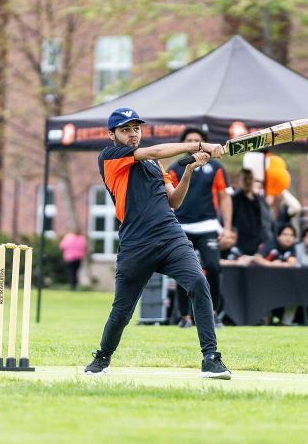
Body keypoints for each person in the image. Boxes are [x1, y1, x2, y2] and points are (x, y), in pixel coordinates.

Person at [84, 108, 230, 379]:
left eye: (136, 128)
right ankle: (102, 357)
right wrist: (201, 145)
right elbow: (153, 151)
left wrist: (188, 170)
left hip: (171, 237)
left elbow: (173, 201)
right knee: (123, 310)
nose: (132, 134)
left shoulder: (154, 165)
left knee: (199, 283)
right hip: (136, 244)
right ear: (112, 135)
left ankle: (211, 358)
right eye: (126, 130)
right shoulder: (110, 157)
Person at [168, 127, 233, 329]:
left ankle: (214, 314)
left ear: (204, 142)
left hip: (208, 225)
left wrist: (228, 228)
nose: (194, 142)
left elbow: (224, 198)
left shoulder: (216, 168)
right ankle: (185, 316)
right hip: (182, 226)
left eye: (198, 139)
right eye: (190, 140)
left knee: (213, 267)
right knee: (182, 271)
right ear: (184, 143)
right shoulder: (175, 168)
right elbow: (169, 200)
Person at [232, 169, 272, 256]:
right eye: (245, 179)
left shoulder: (260, 200)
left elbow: (267, 221)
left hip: (260, 246)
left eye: (250, 179)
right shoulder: (234, 200)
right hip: (240, 247)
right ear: (239, 180)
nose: (248, 182)